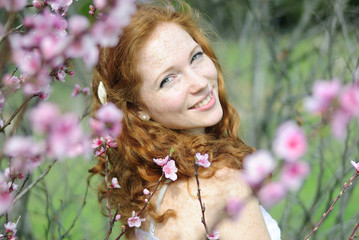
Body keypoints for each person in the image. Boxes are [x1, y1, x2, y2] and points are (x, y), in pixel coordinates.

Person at [90, 1, 281, 239]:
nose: (200, 82)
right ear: (137, 108)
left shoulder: (144, 197)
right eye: (168, 79)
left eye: (196, 56)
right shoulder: (223, 186)